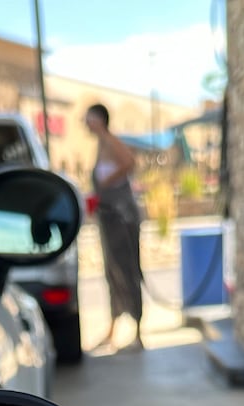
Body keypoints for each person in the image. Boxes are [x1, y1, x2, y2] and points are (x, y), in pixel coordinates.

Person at [85, 103, 144, 353]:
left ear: (99, 119)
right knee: (112, 271)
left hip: (122, 219)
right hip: (108, 218)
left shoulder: (111, 141)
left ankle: (139, 331)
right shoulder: (100, 145)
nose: (85, 123)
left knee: (128, 269)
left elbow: (129, 162)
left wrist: (106, 183)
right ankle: (114, 327)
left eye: (89, 118)